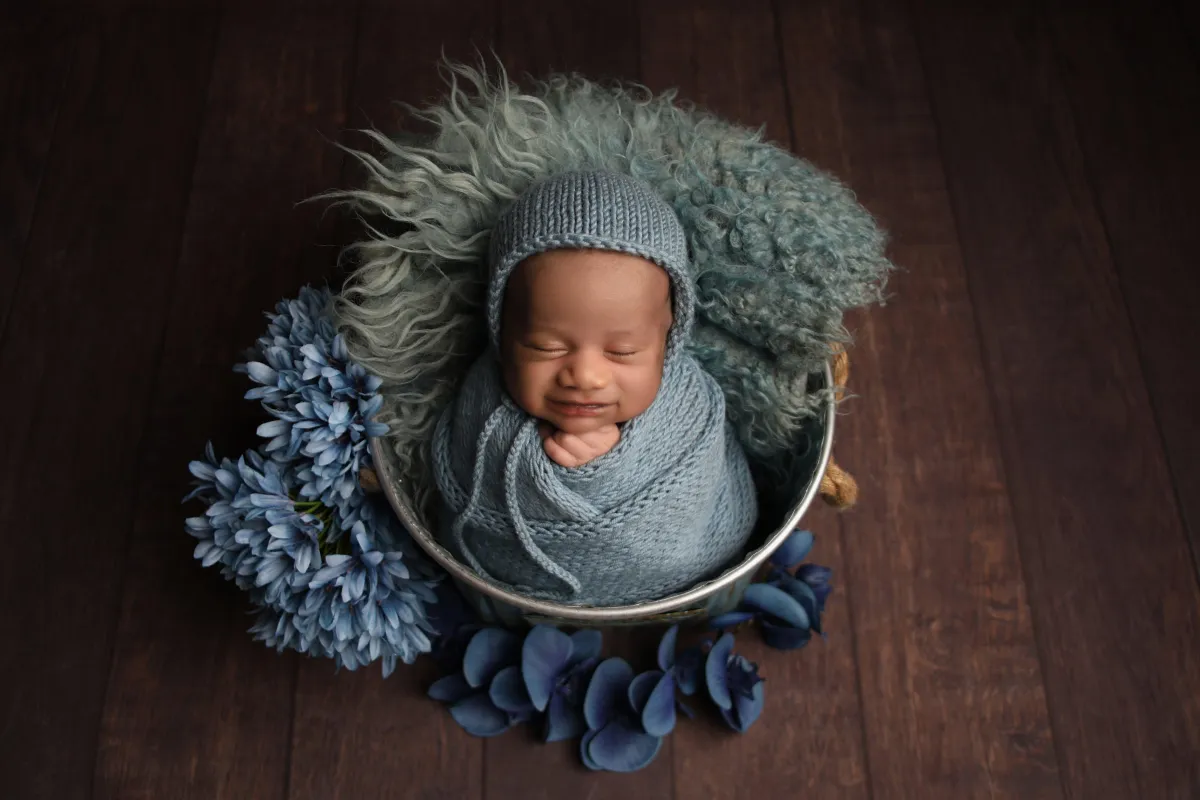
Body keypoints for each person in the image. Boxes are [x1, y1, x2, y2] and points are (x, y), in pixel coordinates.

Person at [432, 170, 759, 606]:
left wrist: (609, 470)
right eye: (545, 347)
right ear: (501, 332)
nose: (585, 376)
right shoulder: (482, 401)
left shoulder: (690, 407)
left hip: (690, 573)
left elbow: (701, 489)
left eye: (623, 351)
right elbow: (462, 469)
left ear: (669, 337)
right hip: (513, 590)